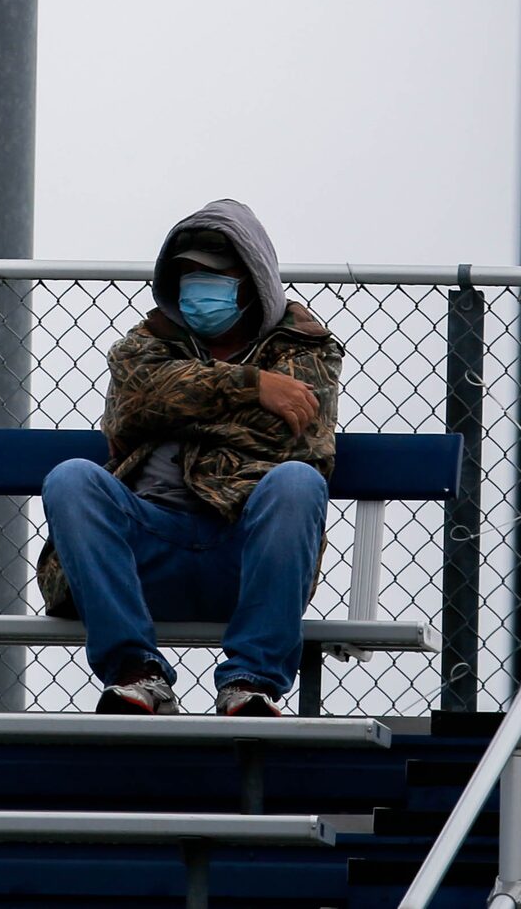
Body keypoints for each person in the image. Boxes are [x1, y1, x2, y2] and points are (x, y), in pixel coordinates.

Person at [36, 198, 342, 716]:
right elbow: (134, 400)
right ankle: (137, 674)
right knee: (72, 478)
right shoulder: (147, 341)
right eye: (189, 275)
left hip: (244, 555)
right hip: (146, 550)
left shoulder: (303, 346)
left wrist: (173, 406)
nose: (200, 287)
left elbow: (287, 439)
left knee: (296, 482)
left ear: (252, 280)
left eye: (215, 275)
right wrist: (251, 386)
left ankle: (251, 684)